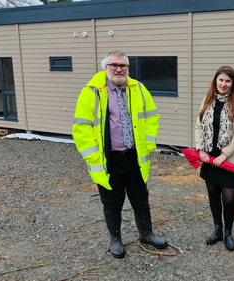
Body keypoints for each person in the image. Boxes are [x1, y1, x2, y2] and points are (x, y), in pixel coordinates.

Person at [72, 51, 167, 259]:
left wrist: (149, 144)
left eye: (123, 65)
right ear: (105, 67)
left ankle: (146, 234)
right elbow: (81, 128)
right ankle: (115, 239)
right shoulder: (91, 92)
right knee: (112, 203)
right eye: (114, 65)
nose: (118, 69)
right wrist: (94, 156)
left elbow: (152, 117)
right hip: (109, 160)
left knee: (141, 199)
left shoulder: (139, 89)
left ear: (128, 68)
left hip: (134, 157)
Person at [194, 65, 234, 252]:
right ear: (215, 81)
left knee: (229, 198)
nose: (223, 84)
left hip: (229, 158)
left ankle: (228, 233)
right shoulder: (207, 100)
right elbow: (198, 126)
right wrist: (201, 150)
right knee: (213, 195)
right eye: (221, 80)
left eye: (228, 81)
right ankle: (217, 229)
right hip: (209, 157)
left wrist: (225, 155)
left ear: (232, 84)